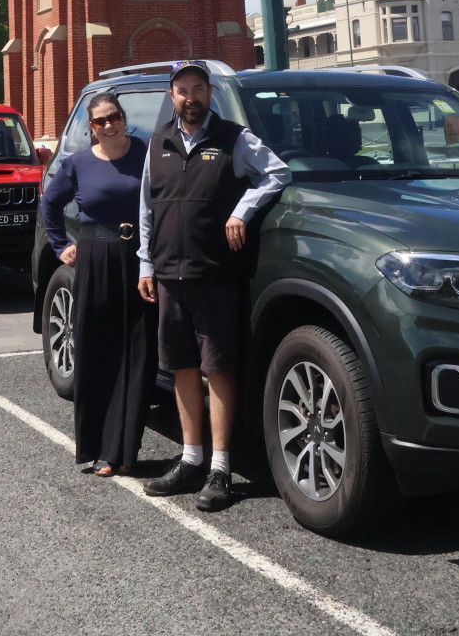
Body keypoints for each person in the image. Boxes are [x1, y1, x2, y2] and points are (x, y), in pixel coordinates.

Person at [136, 61, 291, 512]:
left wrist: (243, 210)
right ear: (171, 96)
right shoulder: (158, 142)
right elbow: (148, 204)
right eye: (182, 90)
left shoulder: (235, 138)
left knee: (217, 369)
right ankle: (190, 460)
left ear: (209, 94)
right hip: (168, 275)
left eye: (198, 89)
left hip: (215, 274)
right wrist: (146, 264)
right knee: (182, 367)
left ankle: (220, 469)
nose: (191, 97)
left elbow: (277, 173)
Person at [39, 92, 155, 476]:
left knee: (137, 354)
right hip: (95, 256)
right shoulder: (78, 164)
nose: (109, 125)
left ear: (123, 118)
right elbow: (49, 205)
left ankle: (127, 451)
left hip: (139, 258)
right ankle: (101, 450)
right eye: (101, 121)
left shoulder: (146, 153)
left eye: (114, 117)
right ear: (92, 127)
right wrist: (60, 246)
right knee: (98, 350)